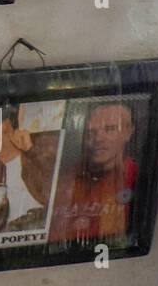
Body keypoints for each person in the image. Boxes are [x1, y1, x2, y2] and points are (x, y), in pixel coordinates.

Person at [49, 103, 139, 245]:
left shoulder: (140, 180)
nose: (98, 139)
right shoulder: (62, 181)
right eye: (91, 132)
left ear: (128, 132)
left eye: (110, 129)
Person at [0, 113, 56, 235]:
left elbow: (59, 183)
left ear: (15, 132)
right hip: (10, 230)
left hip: (45, 221)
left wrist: (31, 151)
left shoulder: (36, 152)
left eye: (3, 134)